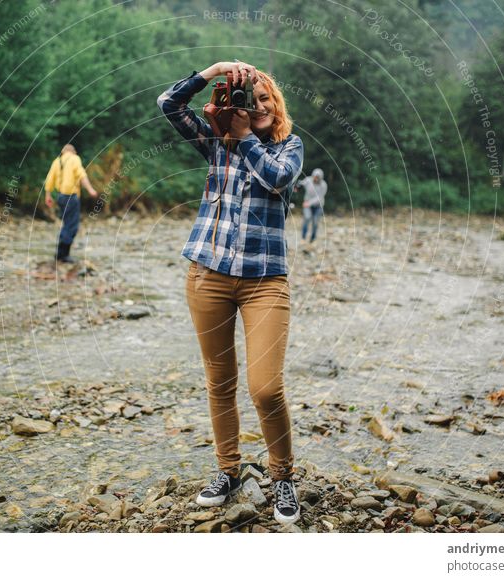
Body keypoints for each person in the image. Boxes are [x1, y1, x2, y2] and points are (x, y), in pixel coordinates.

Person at [157, 60, 304, 525]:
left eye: (264, 99)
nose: (256, 106)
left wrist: (244, 137)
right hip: (208, 276)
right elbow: (168, 104)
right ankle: (228, 470)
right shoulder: (216, 143)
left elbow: (277, 179)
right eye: (248, 98)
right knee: (219, 382)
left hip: (266, 283)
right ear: (234, 103)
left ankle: (282, 476)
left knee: (265, 387)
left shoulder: (289, 147)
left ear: (274, 105)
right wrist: (213, 71)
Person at [43, 144, 98, 263]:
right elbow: (81, 175)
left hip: (60, 197)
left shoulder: (57, 161)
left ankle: (61, 253)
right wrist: (90, 189)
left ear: (63, 152)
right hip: (71, 197)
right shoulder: (74, 159)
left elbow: (49, 179)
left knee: (67, 223)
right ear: (73, 151)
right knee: (71, 225)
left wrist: (47, 195)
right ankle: (63, 254)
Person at [297, 168, 327, 243]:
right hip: (307, 205)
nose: (316, 178)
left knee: (315, 222)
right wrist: (298, 185)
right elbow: (301, 183)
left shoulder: (323, 185)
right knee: (307, 218)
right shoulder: (308, 180)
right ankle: (303, 237)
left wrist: (309, 203)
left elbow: (319, 198)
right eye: (315, 176)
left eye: (318, 177)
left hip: (318, 206)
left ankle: (312, 239)